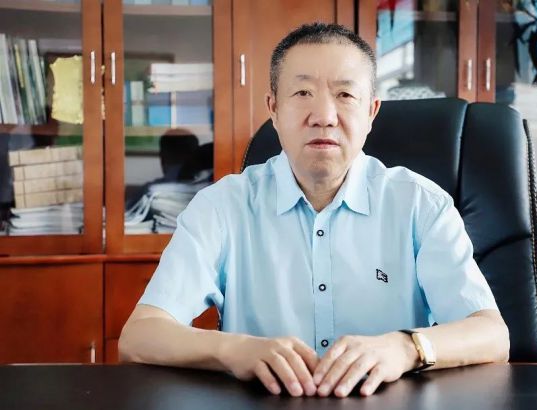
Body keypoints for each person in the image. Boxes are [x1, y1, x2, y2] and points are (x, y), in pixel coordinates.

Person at [119, 22, 510, 398]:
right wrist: (233, 349)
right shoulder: (222, 207)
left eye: (345, 95)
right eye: (303, 92)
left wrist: (406, 348)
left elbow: (492, 335)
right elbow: (140, 335)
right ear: (273, 109)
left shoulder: (420, 205)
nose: (323, 116)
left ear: (371, 112)